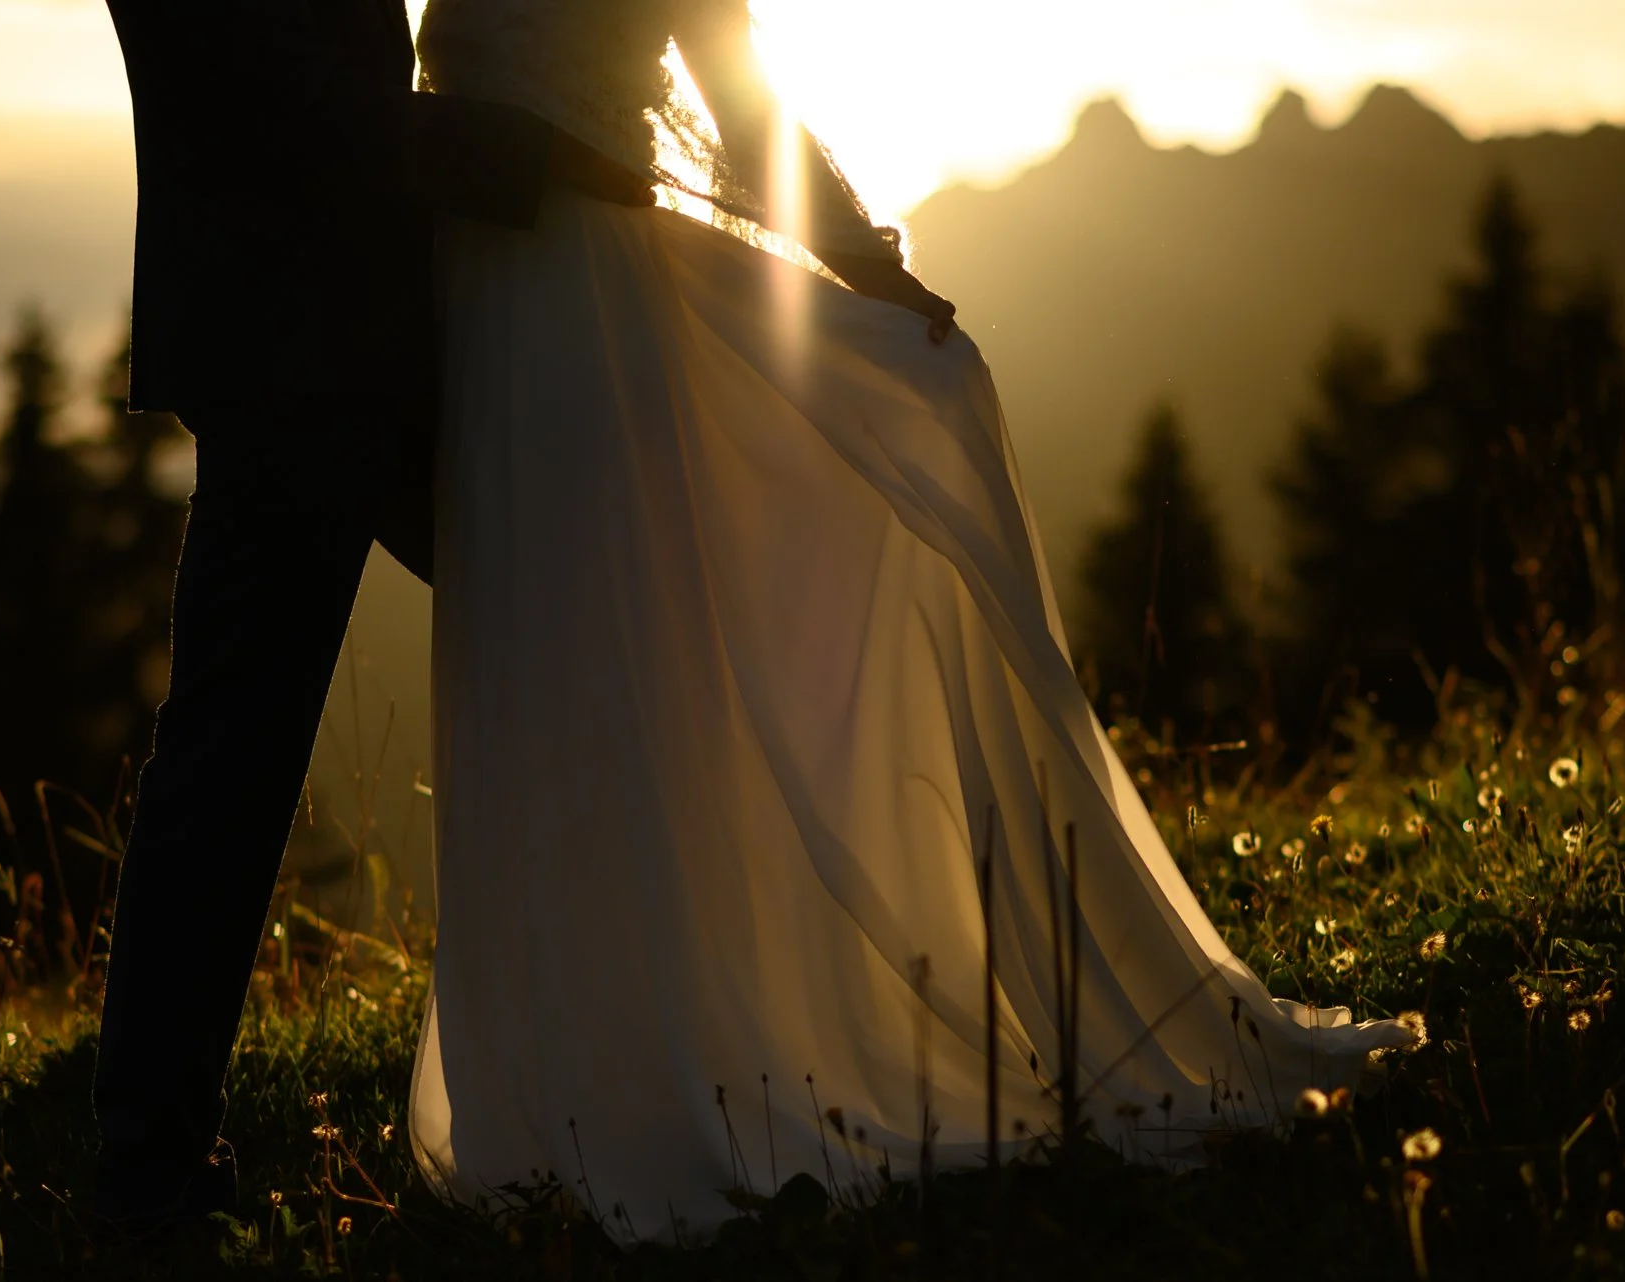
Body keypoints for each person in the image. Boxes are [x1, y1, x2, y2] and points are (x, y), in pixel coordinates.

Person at [407, 0, 1413, 1244]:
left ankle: (683, 1063)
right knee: (544, 683)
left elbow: (741, 99)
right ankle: (565, 1070)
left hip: (595, 319)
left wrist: (871, 270)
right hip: (485, 316)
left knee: (628, 674)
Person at [90, 0, 656, 1233]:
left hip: (386, 329)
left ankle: (614, 1055)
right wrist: (541, 154)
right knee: (232, 753)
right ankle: (146, 1168)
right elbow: (294, 110)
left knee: (592, 619)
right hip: (293, 352)